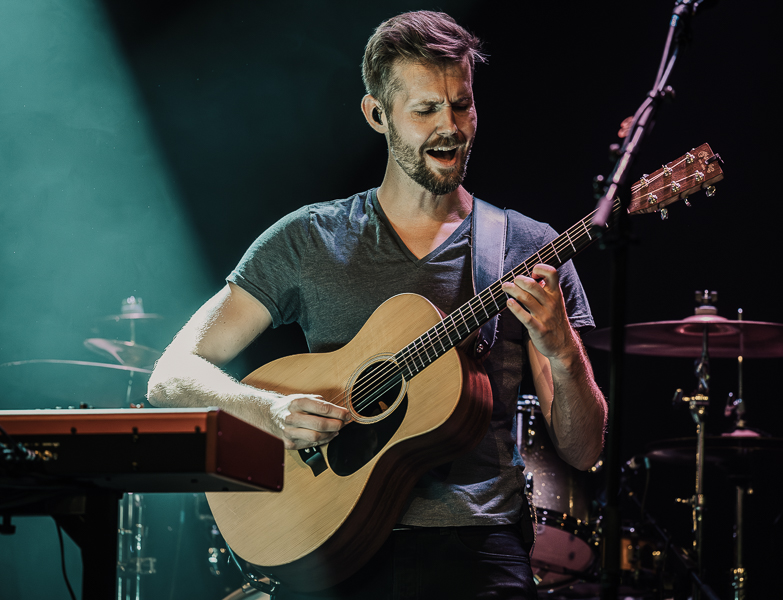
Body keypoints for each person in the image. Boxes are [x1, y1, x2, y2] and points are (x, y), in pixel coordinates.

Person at [148, 10, 606, 600]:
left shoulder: (527, 248)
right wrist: (269, 410)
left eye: (462, 105)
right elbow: (171, 375)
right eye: (425, 110)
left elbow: (585, 450)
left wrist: (563, 351)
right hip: (330, 547)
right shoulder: (309, 239)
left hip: (478, 553)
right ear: (376, 114)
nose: (450, 128)